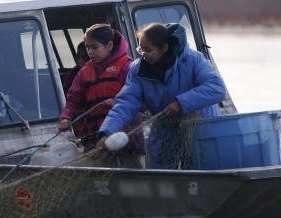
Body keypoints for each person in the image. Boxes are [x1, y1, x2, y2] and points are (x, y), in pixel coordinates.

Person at [96, 23, 226, 169]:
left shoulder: (194, 60)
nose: (143, 54)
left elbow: (217, 88)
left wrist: (180, 102)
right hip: (165, 129)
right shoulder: (138, 69)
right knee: (162, 173)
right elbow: (125, 103)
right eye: (141, 49)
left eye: (148, 50)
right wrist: (108, 131)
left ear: (164, 48)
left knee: (199, 171)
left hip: (199, 128)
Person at [58, 24, 133, 153]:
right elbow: (73, 99)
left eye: (94, 47)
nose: (90, 52)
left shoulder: (127, 67)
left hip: (126, 137)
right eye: (88, 48)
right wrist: (66, 117)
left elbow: (137, 96)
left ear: (109, 46)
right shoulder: (83, 72)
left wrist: (118, 101)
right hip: (94, 138)